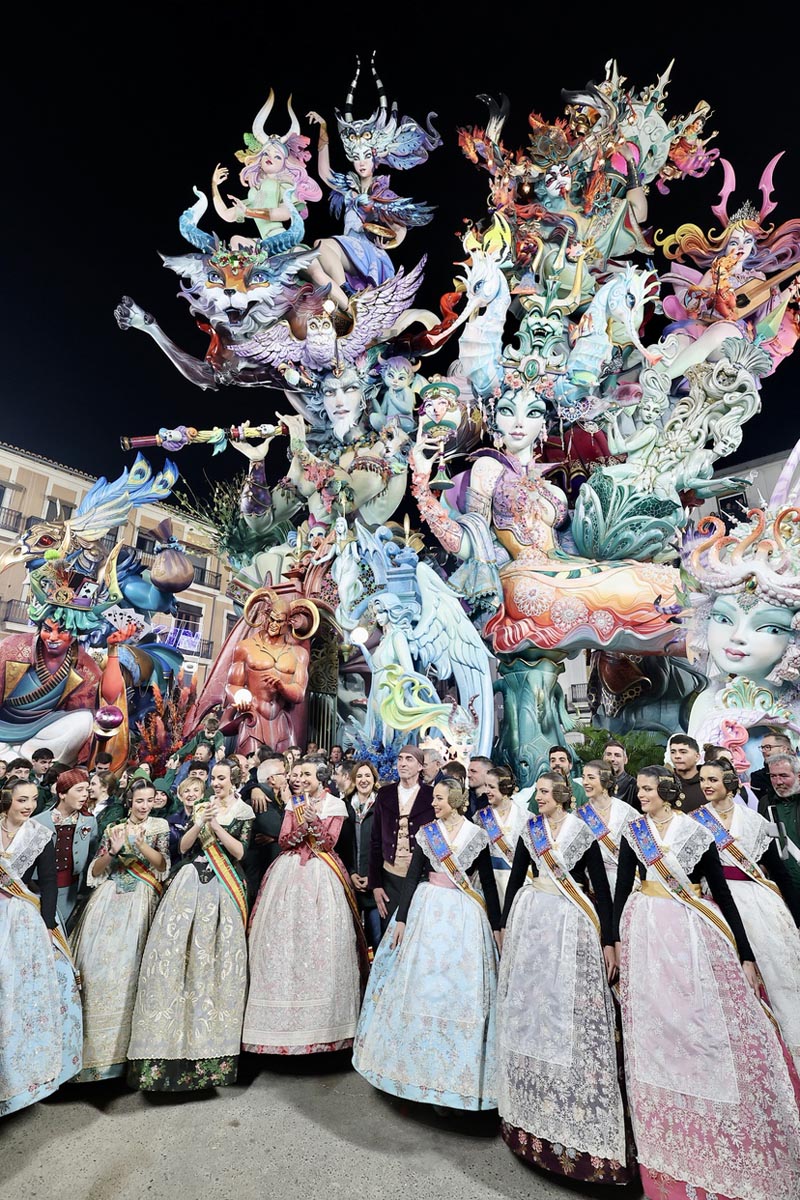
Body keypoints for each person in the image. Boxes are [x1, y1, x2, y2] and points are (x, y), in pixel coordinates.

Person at [614, 765, 800, 1200]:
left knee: (702, 1024)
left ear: (667, 792)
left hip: (692, 933)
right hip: (645, 933)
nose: (640, 795)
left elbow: (721, 891)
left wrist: (746, 954)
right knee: (657, 1030)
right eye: (640, 789)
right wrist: (614, 940)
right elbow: (623, 889)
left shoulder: (696, 835)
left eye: (647, 789)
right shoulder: (634, 833)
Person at [496, 772, 634, 1182]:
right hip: (532, 921)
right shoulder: (531, 830)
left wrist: (609, 940)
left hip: (570, 924)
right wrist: (504, 925)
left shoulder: (581, 833)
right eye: (537, 792)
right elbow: (517, 877)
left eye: (543, 792)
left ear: (560, 795)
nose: (537, 798)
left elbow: (601, 890)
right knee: (531, 1010)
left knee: (567, 1010)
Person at [353, 776, 501, 1110]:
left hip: (464, 916)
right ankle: (413, 1073)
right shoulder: (427, 834)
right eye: (434, 798)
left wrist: (497, 926)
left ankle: (454, 1081)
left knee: (456, 994)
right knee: (420, 989)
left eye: (439, 799)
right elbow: (412, 878)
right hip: (426, 910)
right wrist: (402, 919)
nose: (433, 803)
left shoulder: (476, 836)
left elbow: (489, 884)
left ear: (456, 801)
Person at [127, 759, 254, 1091]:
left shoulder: (243, 812)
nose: (217, 783)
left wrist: (217, 827)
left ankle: (212, 1054)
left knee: (215, 963)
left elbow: (240, 853)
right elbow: (183, 847)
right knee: (174, 958)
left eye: (223, 778)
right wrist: (200, 822)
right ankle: (165, 1048)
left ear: (234, 780)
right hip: (189, 883)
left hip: (224, 887)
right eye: (215, 778)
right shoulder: (200, 806)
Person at [242, 757, 367, 1055]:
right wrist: (302, 823)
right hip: (288, 874)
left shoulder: (335, 805)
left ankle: (326, 1030)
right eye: (299, 775)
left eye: (307, 775)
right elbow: (285, 841)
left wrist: (313, 821)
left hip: (323, 874)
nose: (301, 780)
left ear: (321, 778)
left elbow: (327, 843)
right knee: (281, 944)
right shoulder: (294, 803)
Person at [695, 756, 800, 1067]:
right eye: (703, 780)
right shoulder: (695, 822)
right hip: (718, 903)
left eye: (712, 780)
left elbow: (778, 872)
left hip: (758, 904)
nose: (706, 786)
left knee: (777, 974)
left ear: (729, 784)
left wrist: (797, 916)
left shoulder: (753, 821)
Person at [69, 779, 170, 1082]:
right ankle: (92, 1056)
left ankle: (129, 1056)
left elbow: (162, 865)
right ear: (130, 801)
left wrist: (140, 844)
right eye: (139, 801)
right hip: (109, 898)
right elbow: (96, 871)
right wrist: (112, 852)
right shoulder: (114, 828)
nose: (144, 806)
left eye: (149, 800)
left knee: (131, 969)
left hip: (143, 896)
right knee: (96, 967)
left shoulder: (160, 826)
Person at [0, 778, 83, 1115]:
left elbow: (48, 882)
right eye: (22, 799)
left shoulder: (39, 835)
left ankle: (28, 1074)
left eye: (34, 799)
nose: (29, 806)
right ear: (7, 800)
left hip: (23, 916)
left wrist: (48, 923)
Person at [221, 588, 318, 755]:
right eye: (271, 619)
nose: (274, 624)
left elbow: (299, 694)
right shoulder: (245, 647)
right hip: (253, 718)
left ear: (288, 622)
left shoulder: (299, 654)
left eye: (279, 621)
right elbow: (232, 685)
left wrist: (282, 687)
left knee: (282, 767)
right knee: (249, 765)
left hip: (281, 723)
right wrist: (240, 699)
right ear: (266, 617)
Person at [368, 744, 435, 934]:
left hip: (421, 879)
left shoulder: (431, 796)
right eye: (400, 759)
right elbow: (375, 840)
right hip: (390, 877)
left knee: (416, 932)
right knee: (389, 934)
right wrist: (376, 884)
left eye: (409, 759)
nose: (402, 763)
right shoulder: (385, 794)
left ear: (420, 766)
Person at [35, 768, 98, 927]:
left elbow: (92, 857)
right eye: (79, 790)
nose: (85, 795)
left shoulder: (89, 821)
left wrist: (84, 890)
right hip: (40, 890)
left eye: (87, 790)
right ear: (62, 793)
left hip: (72, 890)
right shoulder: (38, 822)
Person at [578, 758, 638, 894]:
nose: (585, 782)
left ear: (605, 781)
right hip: (593, 884)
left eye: (591, 777)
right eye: (583, 777)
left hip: (626, 882)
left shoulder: (627, 812)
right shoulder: (579, 815)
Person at [473, 765, 528, 906]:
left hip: (516, 880)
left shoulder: (526, 817)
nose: (486, 791)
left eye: (491, 787)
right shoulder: (480, 817)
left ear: (504, 788)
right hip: (486, 880)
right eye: (486, 786)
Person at [241, 753, 289, 903]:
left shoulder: (276, 796)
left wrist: (274, 839)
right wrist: (288, 804)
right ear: (272, 779)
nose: (287, 777)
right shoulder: (260, 800)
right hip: (259, 875)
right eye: (284, 774)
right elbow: (282, 829)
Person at [346, 760, 381, 951]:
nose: (363, 780)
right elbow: (341, 846)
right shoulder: (344, 806)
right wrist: (351, 873)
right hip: (351, 881)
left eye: (367, 775)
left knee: (377, 937)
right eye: (359, 776)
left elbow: (386, 846)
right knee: (352, 940)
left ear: (374, 779)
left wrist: (372, 875)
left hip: (376, 882)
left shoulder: (382, 805)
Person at [766, 753, 800, 891]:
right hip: (783, 885)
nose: (778, 782)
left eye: (784, 776)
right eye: (773, 776)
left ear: (798, 776)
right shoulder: (766, 803)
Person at [751, 729, 794, 810]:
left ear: (784, 749)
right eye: (762, 748)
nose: (763, 751)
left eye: (768, 747)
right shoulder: (758, 777)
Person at [167, 775, 204, 863]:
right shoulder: (172, 821)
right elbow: (173, 850)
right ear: (180, 797)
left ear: (202, 795)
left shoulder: (210, 817)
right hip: (179, 863)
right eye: (186, 791)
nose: (191, 794)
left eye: (196, 790)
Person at [665, 733, 704, 811]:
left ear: (697, 757)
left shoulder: (708, 783)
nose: (677, 756)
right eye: (673, 752)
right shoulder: (665, 781)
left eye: (683, 752)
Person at [603, 739, 639, 809]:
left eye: (617, 755)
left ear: (625, 760)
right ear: (604, 758)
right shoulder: (595, 782)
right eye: (609, 754)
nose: (612, 759)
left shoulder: (633, 785)